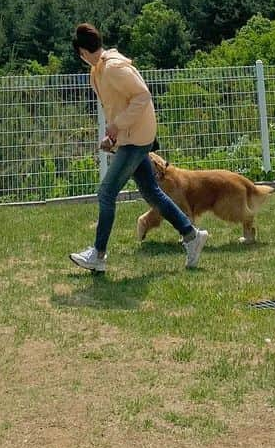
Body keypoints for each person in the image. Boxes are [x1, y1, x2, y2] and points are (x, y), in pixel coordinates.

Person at [69, 22, 208, 273]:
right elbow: (118, 107)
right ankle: (192, 235)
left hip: (136, 140)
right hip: (131, 137)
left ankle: (98, 255)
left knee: (107, 192)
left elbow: (142, 95)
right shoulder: (99, 70)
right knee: (152, 192)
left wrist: (117, 127)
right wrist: (113, 135)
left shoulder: (111, 68)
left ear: (82, 52)